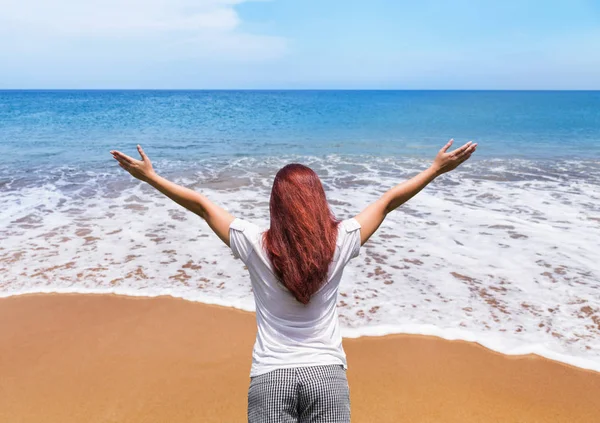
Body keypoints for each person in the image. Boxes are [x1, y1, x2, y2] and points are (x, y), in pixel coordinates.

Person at [110, 139, 477, 423]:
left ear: (276, 204)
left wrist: (151, 177)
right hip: (326, 376)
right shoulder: (342, 239)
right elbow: (387, 202)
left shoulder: (255, 243)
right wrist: (434, 170)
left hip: (271, 378)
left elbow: (203, 206)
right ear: (318, 201)